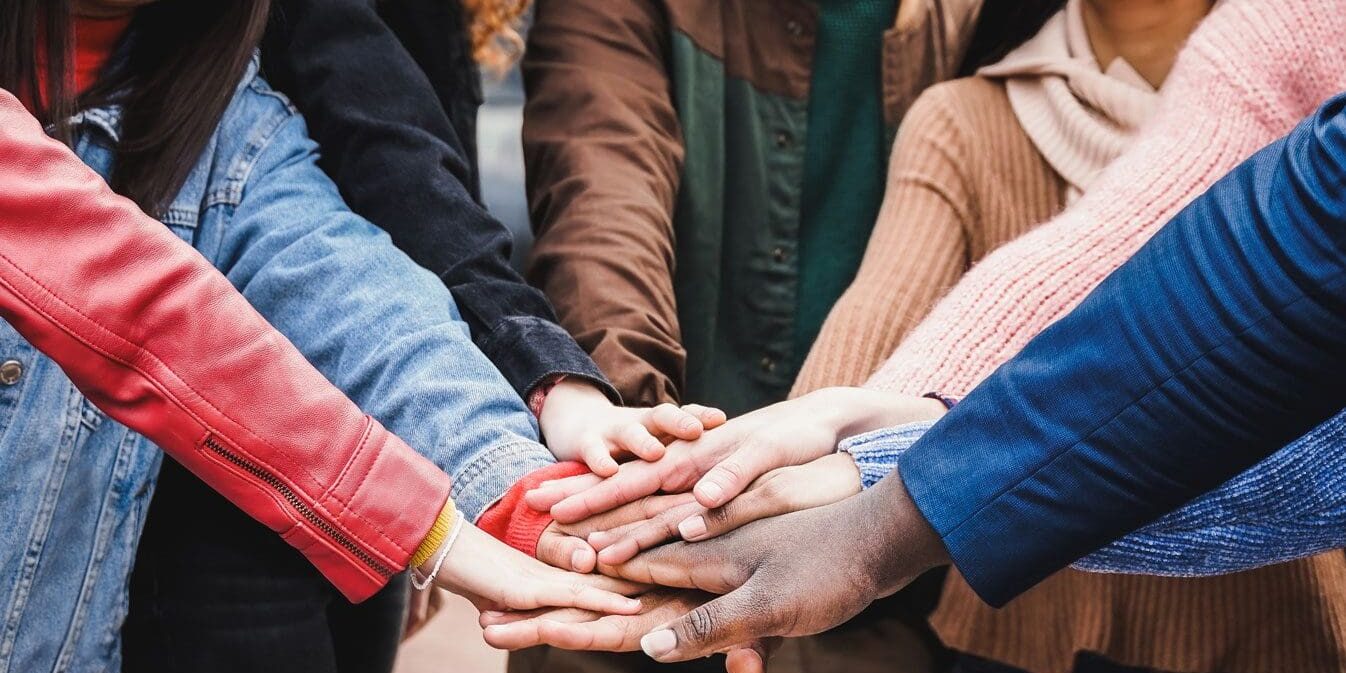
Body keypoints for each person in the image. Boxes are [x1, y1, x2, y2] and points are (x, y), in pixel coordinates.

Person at [488, 85, 1346, 670]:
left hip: (1275, 628)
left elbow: (1287, 388)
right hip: (1014, 624)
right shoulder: (976, 110)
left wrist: (886, 503)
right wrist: (862, 447)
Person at [0, 1, 680, 670]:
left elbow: (355, 291)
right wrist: (425, 525)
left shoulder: (227, 118)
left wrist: (523, 493)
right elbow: (156, 318)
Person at [519, 0, 1003, 669]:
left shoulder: (982, 25)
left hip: (889, 573)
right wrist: (632, 430)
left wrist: (856, 481)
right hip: (628, 546)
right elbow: (600, 191)